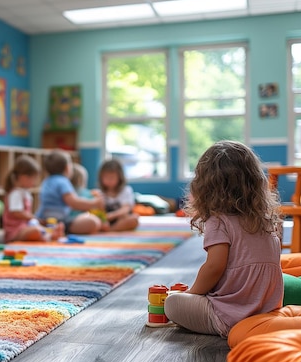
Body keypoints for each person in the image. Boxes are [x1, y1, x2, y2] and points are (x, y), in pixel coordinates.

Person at [163, 140, 284, 338]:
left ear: (206, 187)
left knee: (172, 303)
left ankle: (215, 317)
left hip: (229, 315)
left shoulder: (218, 221)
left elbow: (214, 267)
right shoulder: (265, 220)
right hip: (266, 310)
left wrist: (192, 293)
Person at [36, 149, 104, 235]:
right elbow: (74, 203)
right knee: (94, 222)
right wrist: (94, 203)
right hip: (60, 221)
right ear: (67, 168)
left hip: (43, 219)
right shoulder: (63, 181)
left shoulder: (46, 181)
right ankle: (61, 230)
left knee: (86, 218)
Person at [2, 155, 63, 243]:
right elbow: (16, 212)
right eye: (33, 179)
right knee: (35, 231)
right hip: (15, 231)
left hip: (25, 227)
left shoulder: (25, 193)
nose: (34, 183)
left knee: (38, 228)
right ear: (23, 177)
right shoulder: (15, 193)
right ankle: (48, 236)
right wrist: (33, 217)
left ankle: (49, 235)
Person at [97, 159, 139, 232]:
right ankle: (106, 228)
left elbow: (125, 209)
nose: (109, 180)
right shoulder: (100, 192)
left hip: (119, 219)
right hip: (105, 220)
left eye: (112, 178)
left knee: (134, 219)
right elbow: (100, 211)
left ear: (119, 177)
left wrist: (111, 216)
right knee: (94, 221)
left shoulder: (126, 190)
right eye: (106, 177)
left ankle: (111, 230)